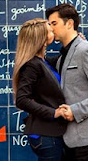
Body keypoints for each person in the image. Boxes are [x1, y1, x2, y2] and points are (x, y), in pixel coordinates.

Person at [45, 4, 88, 161]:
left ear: (69, 23)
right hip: (70, 138)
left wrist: (75, 111)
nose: (51, 29)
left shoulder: (86, 50)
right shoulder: (63, 56)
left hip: (87, 137)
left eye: (54, 24)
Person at [13, 18, 68, 161]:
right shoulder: (32, 65)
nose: (53, 30)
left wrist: (72, 42)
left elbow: (64, 59)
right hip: (46, 135)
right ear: (42, 39)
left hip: (50, 134)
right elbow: (21, 100)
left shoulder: (43, 62)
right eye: (50, 30)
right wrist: (53, 113)